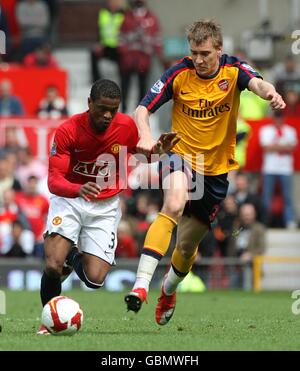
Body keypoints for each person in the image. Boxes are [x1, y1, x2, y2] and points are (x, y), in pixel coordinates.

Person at [124, 19, 286, 326]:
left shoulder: (234, 70)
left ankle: (168, 291)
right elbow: (141, 109)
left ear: (219, 50)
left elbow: (258, 83)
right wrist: (145, 135)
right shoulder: (178, 73)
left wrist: (270, 93)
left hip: (215, 173)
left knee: (186, 247)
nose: (198, 60)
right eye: (194, 53)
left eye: (204, 54)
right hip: (180, 156)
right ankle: (141, 285)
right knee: (172, 205)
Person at [37, 79, 179, 334]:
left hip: (104, 206)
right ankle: (50, 321)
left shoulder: (125, 126)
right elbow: (53, 180)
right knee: (51, 265)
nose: (107, 115)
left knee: (95, 279)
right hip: (70, 199)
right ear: (89, 103)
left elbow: (144, 154)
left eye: (113, 109)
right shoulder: (68, 130)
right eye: (102, 108)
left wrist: (159, 151)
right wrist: (77, 189)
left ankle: (72, 255)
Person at [259, 110, 298, 229]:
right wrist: (283, 146)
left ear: (283, 118)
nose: (278, 120)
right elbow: (265, 147)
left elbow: (292, 147)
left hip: (286, 168)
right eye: (276, 117)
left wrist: (275, 146)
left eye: (280, 117)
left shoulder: (290, 130)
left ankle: (290, 221)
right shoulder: (266, 130)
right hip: (269, 168)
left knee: (287, 197)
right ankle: (265, 221)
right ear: (273, 118)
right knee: (267, 196)